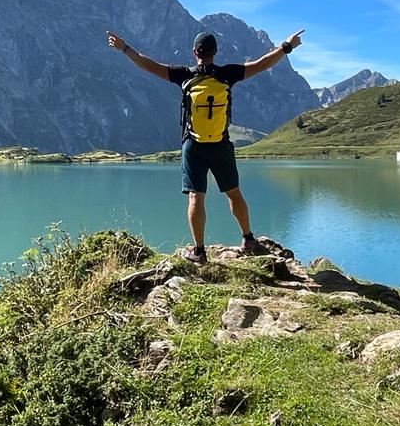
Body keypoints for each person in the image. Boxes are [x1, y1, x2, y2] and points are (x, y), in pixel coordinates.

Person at [106, 27, 304, 263]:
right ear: (215, 52)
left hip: (194, 145)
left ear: (194, 52)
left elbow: (149, 65)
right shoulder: (228, 74)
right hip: (221, 144)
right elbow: (262, 64)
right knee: (233, 193)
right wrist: (286, 46)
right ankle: (249, 239)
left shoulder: (184, 75)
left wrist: (124, 48)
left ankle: (199, 252)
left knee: (195, 198)